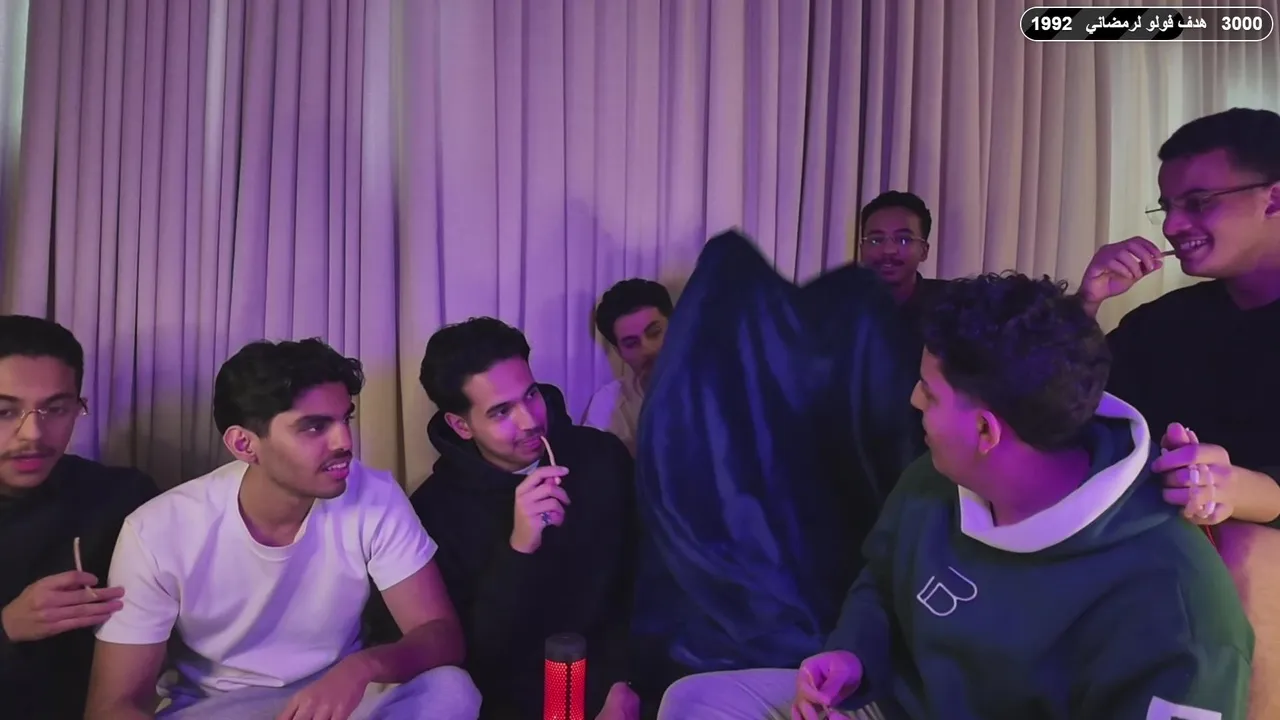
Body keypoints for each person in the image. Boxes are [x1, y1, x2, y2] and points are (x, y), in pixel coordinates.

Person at [657, 273, 1252, 720]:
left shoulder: (1174, 603)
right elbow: (881, 578)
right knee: (698, 701)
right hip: (896, 705)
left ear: (986, 431)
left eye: (929, 392)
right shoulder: (937, 478)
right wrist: (853, 656)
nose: (914, 402)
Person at [84, 338, 480, 720]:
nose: (344, 441)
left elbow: (441, 635)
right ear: (244, 444)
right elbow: (112, 706)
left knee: (451, 690)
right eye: (314, 427)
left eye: (345, 419)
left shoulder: (373, 495)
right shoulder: (156, 530)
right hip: (218, 707)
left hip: (336, 698)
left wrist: (362, 668)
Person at [411, 317, 640, 720]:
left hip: (621, 681)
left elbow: (641, 581)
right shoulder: (434, 510)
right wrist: (519, 549)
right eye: (501, 412)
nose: (530, 420)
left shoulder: (601, 458)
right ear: (461, 425)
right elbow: (475, 653)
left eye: (531, 395)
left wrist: (624, 683)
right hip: (512, 702)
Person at [1078, 107, 1280, 528]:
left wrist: (1248, 492)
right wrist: (1086, 303)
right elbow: (1062, 411)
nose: (1172, 225)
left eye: (1198, 202)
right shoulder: (1163, 324)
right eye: (1167, 206)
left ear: (1274, 200)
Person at [0, 315, 158, 720]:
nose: (33, 433)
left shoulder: (121, 498)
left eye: (56, 409)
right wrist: (8, 627)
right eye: (4, 412)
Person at [582, 279, 673, 455]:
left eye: (655, 333)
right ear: (620, 352)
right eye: (631, 343)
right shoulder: (609, 404)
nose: (648, 349)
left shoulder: (715, 389)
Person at [858, 191, 948, 335]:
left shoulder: (951, 307)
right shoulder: (838, 310)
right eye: (876, 240)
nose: (888, 250)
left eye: (903, 240)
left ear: (924, 251)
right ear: (862, 249)